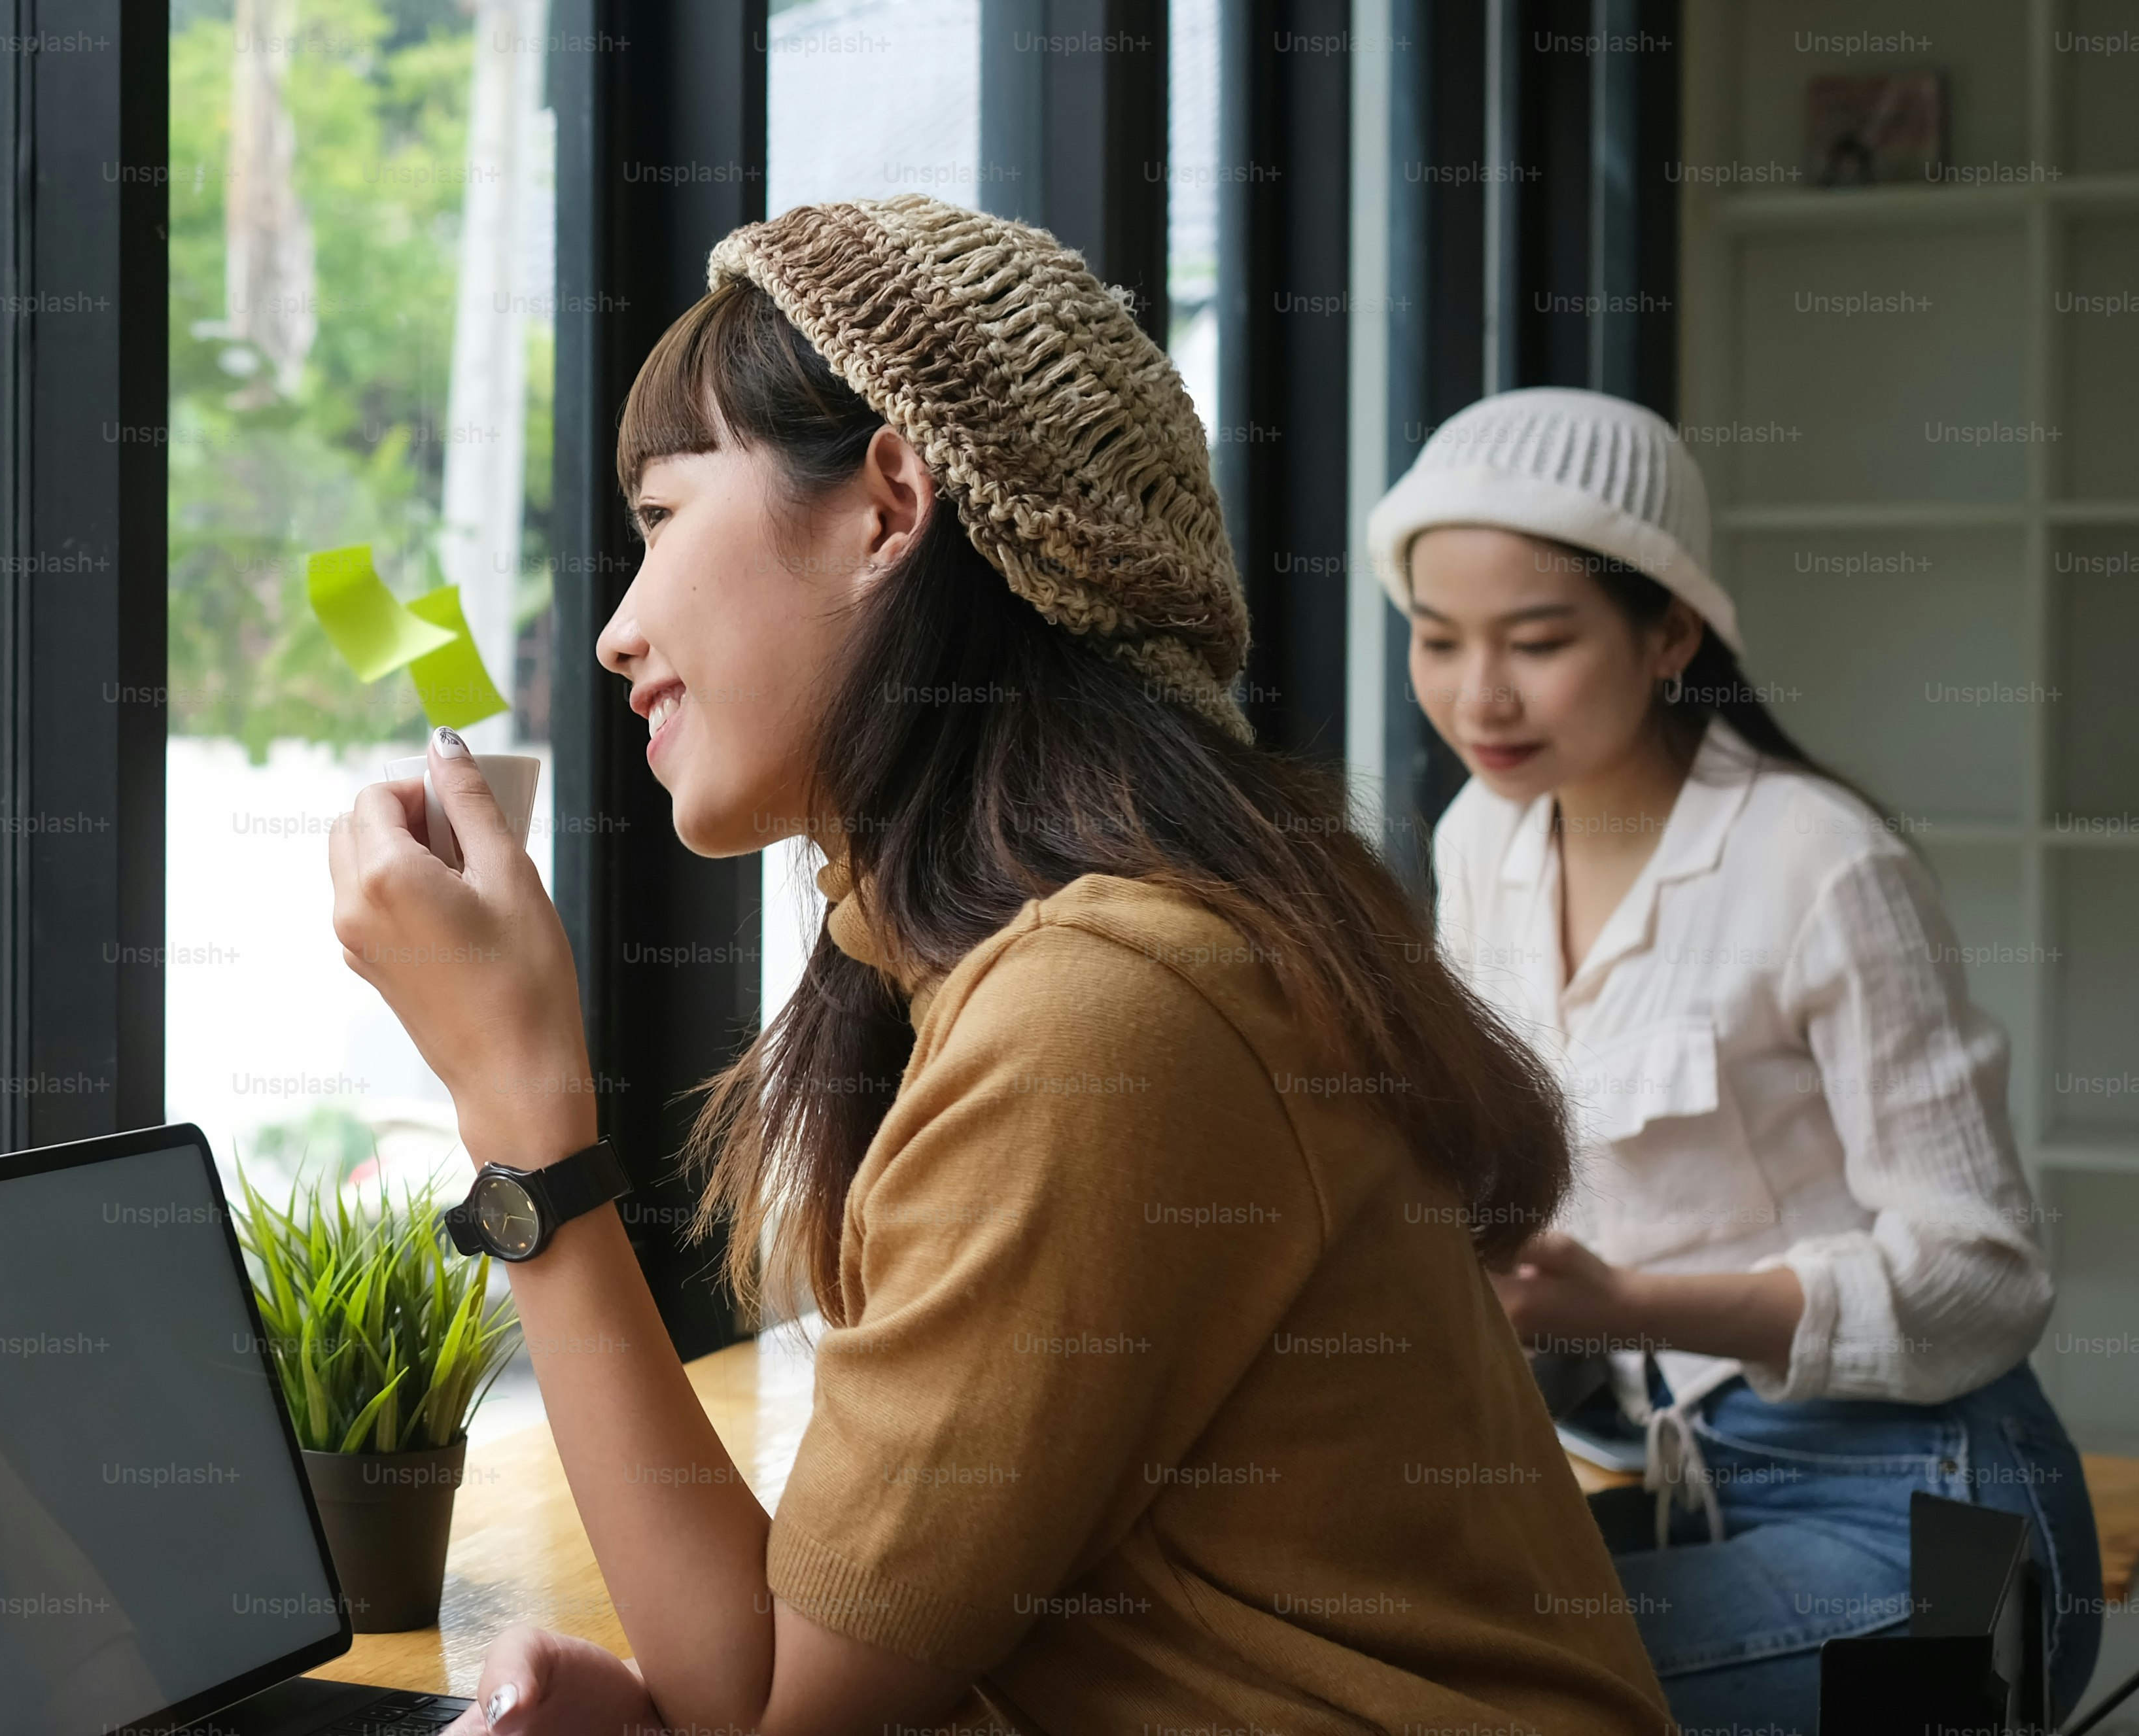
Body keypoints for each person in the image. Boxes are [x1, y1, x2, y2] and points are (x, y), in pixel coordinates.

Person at [322, 194, 1670, 1735]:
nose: (622, 630)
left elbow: (777, 1710)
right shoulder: (1028, 966)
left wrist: (516, 1098)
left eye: (666, 520)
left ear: (890, 503)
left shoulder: (1105, 1008)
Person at [1373, 385, 2100, 1728]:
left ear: (1671, 631)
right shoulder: (1485, 833)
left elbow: (1986, 1275)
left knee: (1468, 1688)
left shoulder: (1816, 864)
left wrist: (1632, 1301)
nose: (1479, 693)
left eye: (1537, 641)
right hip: (1691, 1479)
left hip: (1939, 1521)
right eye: (1435, 637)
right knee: (1365, 1625)